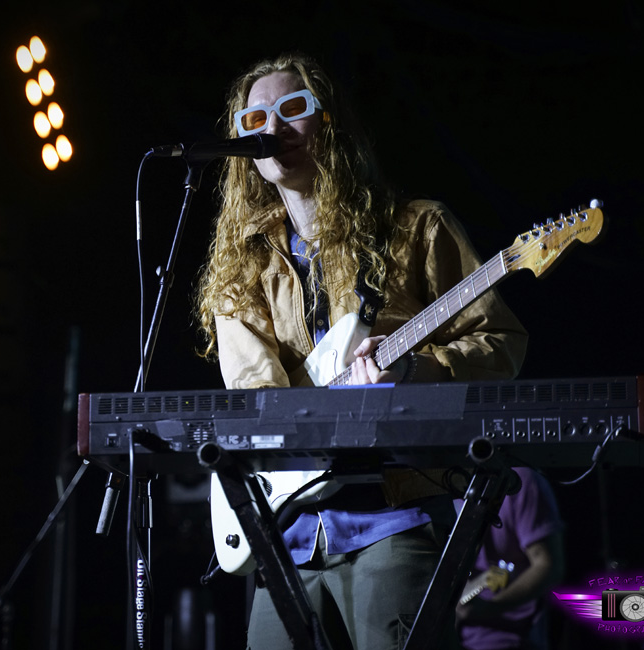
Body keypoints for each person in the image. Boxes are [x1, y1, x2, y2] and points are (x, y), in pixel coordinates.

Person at [195, 52, 528, 649]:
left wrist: (416, 368)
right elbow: (255, 397)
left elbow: (500, 343)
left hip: (393, 517)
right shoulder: (242, 266)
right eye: (255, 119)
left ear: (329, 123)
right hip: (287, 533)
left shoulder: (417, 227)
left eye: (292, 110)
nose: (272, 128)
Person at [456, 468, 565, 650]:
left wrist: (488, 609)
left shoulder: (520, 480)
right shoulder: (443, 483)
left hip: (511, 641)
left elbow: (548, 565)